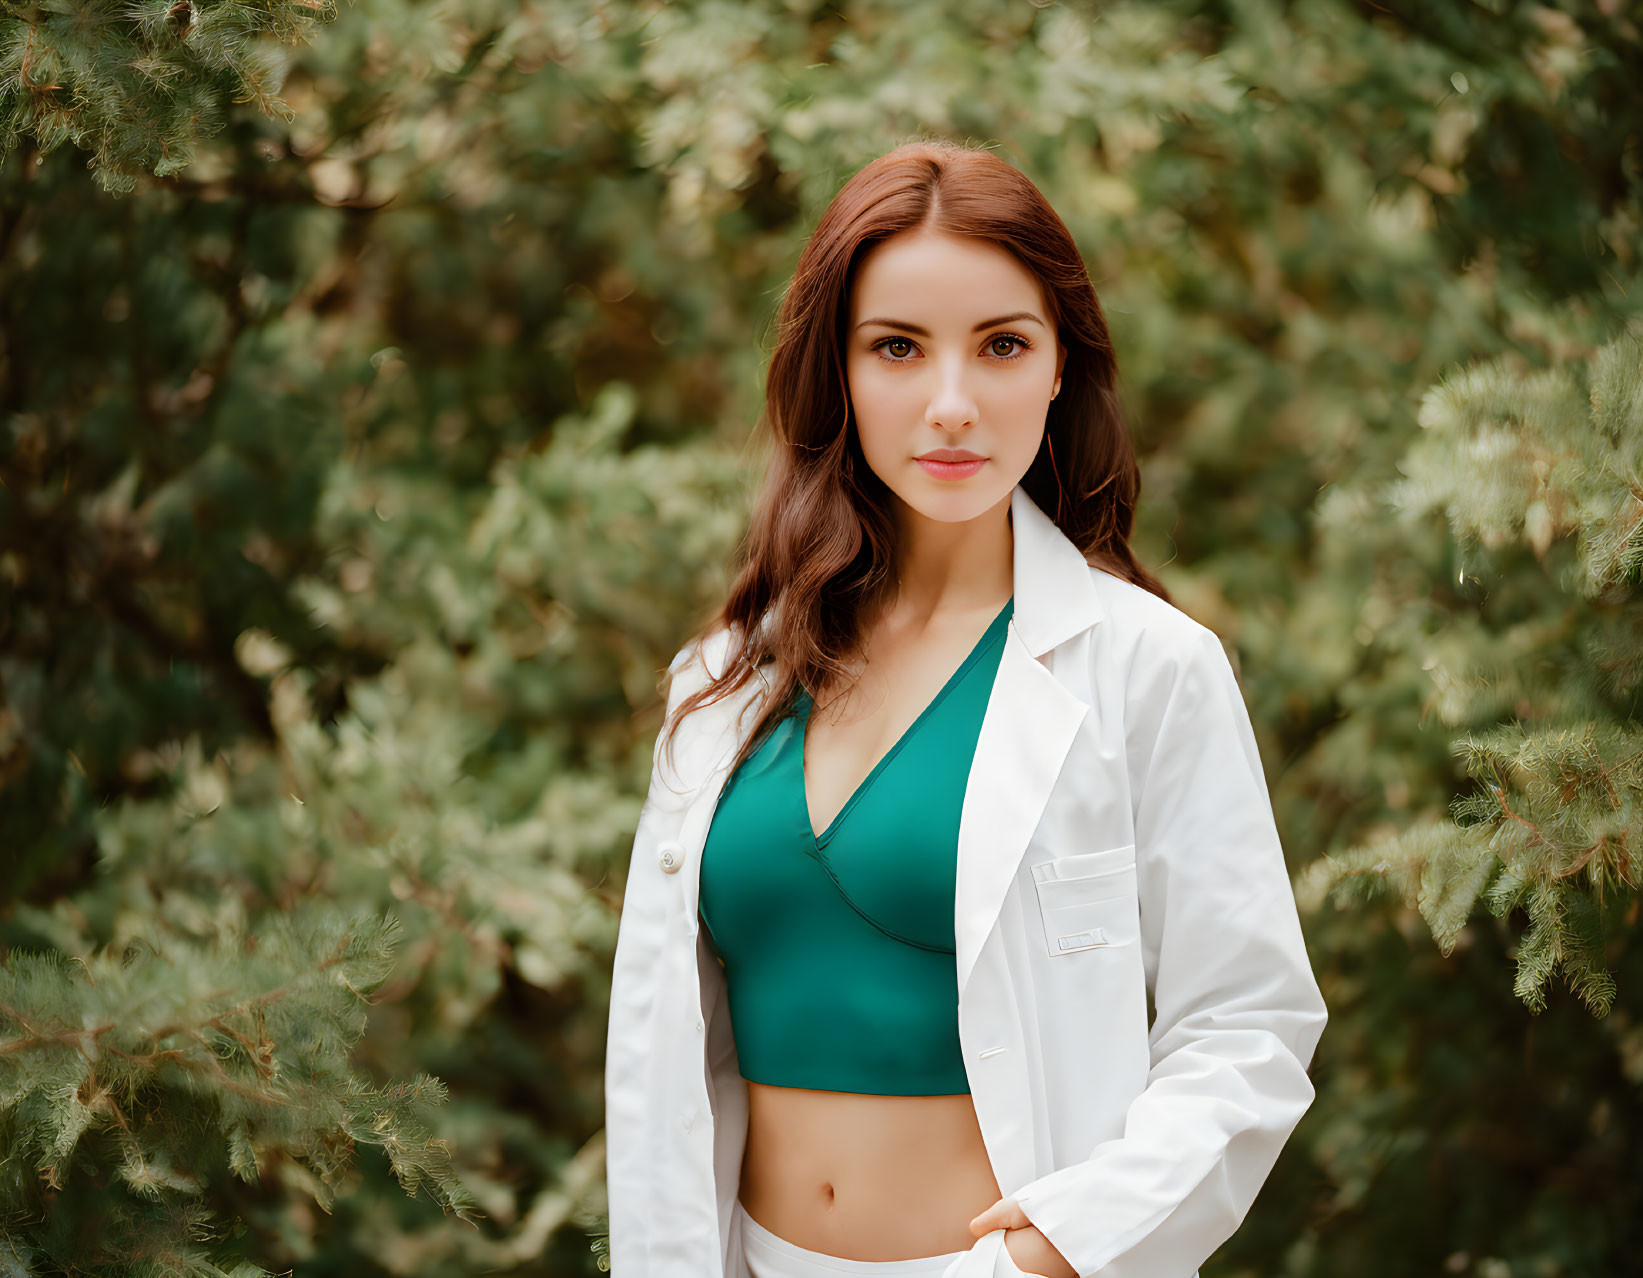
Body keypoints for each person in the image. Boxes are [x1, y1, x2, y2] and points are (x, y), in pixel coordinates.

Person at [604, 138, 1327, 1278]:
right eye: (896, 347)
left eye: (1000, 345)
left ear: (1057, 368)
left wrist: (1066, 1246)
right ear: (835, 372)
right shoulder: (722, 682)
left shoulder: (1147, 669)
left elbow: (1247, 1028)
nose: (950, 405)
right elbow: (663, 1051)